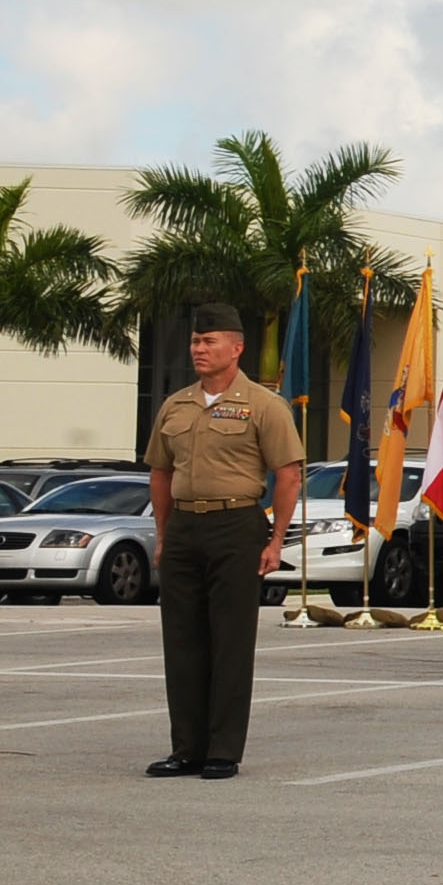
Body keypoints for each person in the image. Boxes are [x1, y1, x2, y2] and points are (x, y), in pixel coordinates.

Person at [144, 302, 303, 779]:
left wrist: (275, 541)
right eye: (195, 341)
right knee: (183, 641)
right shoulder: (176, 405)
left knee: (231, 640)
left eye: (209, 341)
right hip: (186, 528)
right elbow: (160, 472)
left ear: (236, 348)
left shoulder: (264, 405)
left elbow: (289, 475)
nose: (199, 349)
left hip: (236, 526)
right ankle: (186, 747)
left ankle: (222, 750)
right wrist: (163, 535)